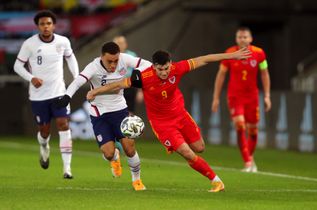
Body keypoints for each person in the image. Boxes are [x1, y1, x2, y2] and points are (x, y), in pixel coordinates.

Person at [86, 47, 251, 192]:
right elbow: (119, 84)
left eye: (166, 68)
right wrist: (96, 91)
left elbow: (204, 59)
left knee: (199, 147)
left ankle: (205, 170)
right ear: (153, 66)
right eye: (160, 69)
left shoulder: (177, 69)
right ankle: (216, 181)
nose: (164, 72)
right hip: (162, 124)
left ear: (170, 64)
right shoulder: (144, 76)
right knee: (187, 152)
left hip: (180, 115)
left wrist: (233, 55)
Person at [55, 42, 152, 191]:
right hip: (99, 114)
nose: (113, 65)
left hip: (120, 111)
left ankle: (136, 180)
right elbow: (78, 81)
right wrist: (67, 96)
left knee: (130, 147)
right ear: (102, 57)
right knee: (108, 153)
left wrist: (137, 73)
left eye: (115, 61)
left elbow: (147, 64)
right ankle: (114, 159)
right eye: (109, 61)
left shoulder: (125, 59)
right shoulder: (93, 67)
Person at [13, 10, 79, 179]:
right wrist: (31, 78)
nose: (46, 27)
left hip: (59, 92)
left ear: (53, 25)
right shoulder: (29, 44)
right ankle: (44, 146)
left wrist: (77, 77)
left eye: (49, 23)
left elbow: (70, 58)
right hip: (38, 96)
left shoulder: (63, 41)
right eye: (42, 24)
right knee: (44, 131)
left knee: (64, 125)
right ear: (38, 26)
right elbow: (17, 66)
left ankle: (67, 169)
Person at [211, 27, 271, 173]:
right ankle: (247, 162)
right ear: (236, 39)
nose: (242, 39)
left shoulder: (259, 53)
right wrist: (216, 98)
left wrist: (267, 96)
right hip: (235, 96)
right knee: (239, 125)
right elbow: (221, 75)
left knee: (253, 131)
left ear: (250, 39)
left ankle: (250, 160)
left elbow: (264, 74)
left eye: (245, 37)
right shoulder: (230, 53)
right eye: (239, 37)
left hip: (252, 97)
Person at [113, 35, 143, 115]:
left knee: (129, 112)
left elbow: (138, 73)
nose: (121, 45)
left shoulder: (131, 55)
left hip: (130, 87)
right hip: (117, 87)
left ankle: (129, 125)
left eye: (122, 43)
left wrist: (140, 91)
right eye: (118, 43)